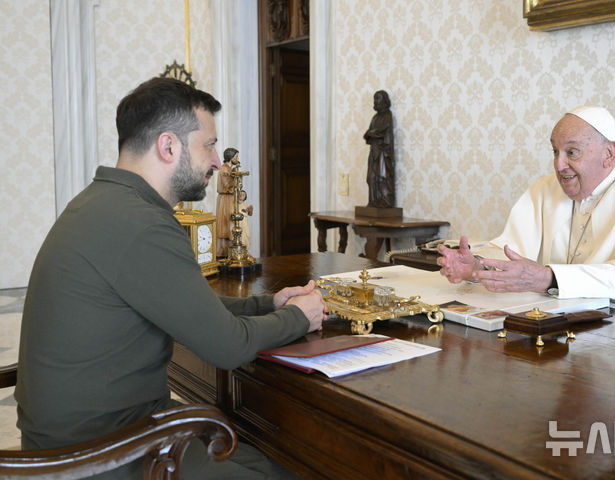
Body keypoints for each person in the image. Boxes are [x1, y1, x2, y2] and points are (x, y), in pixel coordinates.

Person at [15, 77, 327, 479]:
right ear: (168, 146)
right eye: (209, 145)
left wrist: (269, 304)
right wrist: (302, 317)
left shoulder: (106, 201)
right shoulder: (141, 224)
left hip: (84, 435)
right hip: (95, 455)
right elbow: (228, 347)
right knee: (292, 470)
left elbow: (187, 305)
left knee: (265, 453)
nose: (217, 161)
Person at [437, 106, 615, 326]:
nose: (559, 164)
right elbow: (511, 252)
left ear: (608, 153)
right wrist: (477, 265)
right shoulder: (544, 189)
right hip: (575, 320)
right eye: (555, 151)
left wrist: (549, 278)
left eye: (572, 152)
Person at [363, 90, 395, 208]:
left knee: (382, 178)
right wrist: (371, 133)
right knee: (371, 178)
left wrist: (372, 133)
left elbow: (381, 133)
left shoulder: (387, 115)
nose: (375, 102)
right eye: (374, 99)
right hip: (374, 152)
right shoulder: (375, 117)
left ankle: (385, 201)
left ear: (384, 101)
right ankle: (372, 201)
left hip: (382, 153)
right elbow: (367, 135)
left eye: (377, 99)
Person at [215, 147, 236, 258]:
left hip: (230, 198)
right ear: (231, 157)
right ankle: (223, 251)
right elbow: (228, 185)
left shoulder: (229, 169)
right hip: (225, 199)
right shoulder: (224, 170)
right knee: (225, 223)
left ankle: (229, 251)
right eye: (236, 157)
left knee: (230, 224)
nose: (237, 159)